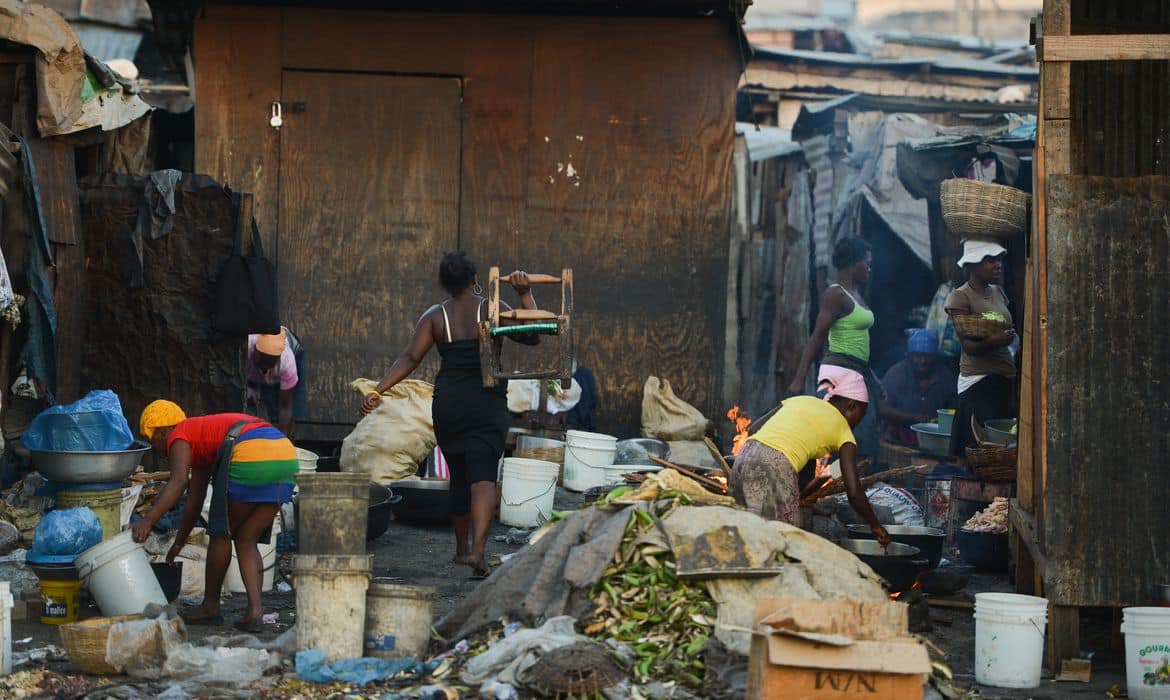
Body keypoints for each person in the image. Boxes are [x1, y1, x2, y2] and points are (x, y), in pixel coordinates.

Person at [361, 252, 537, 578]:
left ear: (445, 283)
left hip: (449, 404)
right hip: (486, 401)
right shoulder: (493, 308)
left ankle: (460, 550)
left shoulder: (435, 316)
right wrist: (524, 293)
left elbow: (411, 356)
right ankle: (479, 555)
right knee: (483, 478)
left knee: (458, 476)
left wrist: (378, 390)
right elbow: (532, 335)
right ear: (474, 279)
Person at [130, 400, 298, 630]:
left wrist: (147, 521)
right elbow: (194, 501)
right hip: (285, 455)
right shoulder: (201, 441)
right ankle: (255, 612)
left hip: (251, 452)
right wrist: (179, 542)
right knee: (246, 540)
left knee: (221, 534)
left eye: (154, 440)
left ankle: (210, 607)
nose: (160, 448)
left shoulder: (179, 435)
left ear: (162, 431)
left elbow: (178, 482)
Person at [732, 367, 891, 546]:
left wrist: (799, 495)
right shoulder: (844, 432)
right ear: (851, 405)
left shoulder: (802, 400)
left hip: (743, 458)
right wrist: (875, 525)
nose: (858, 422)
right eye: (861, 415)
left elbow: (753, 428)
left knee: (741, 533)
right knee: (781, 542)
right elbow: (854, 492)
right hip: (774, 466)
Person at [788, 237, 883, 461]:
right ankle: (831, 491)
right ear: (853, 264)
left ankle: (851, 491)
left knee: (861, 442)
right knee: (834, 441)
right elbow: (818, 336)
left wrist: (875, 380)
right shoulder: (836, 295)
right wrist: (799, 379)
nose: (869, 268)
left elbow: (858, 346)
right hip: (840, 375)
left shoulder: (857, 295)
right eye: (866, 263)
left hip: (858, 373)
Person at [945, 240, 1017, 460]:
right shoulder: (960, 297)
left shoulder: (997, 292)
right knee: (978, 451)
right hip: (979, 385)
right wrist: (995, 340)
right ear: (973, 265)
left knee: (1003, 449)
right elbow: (968, 346)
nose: (998, 265)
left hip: (1003, 380)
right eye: (990, 260)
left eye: (998, 260)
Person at [879, 328, 957, 447]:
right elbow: (882, 408)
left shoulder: (945, 378)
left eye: (928, 356)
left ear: (935, 356)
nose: (923, 361)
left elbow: (954, 412)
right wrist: (914, 418)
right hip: (897, 439)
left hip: (934, 441)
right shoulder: (896, 373)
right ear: (909, 355)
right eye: (917, 356)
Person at [246, 327, 305, 438]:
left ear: (277, 359)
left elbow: (285, 405)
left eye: (269, 362)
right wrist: (247, 388)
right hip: (251, 366)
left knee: (285, 409)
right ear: (256, 351)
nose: (265, 365)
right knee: (249, 402)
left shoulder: (287, 362)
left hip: (293, 350)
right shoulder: (246, 348)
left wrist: (283, 438)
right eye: (262, 360)